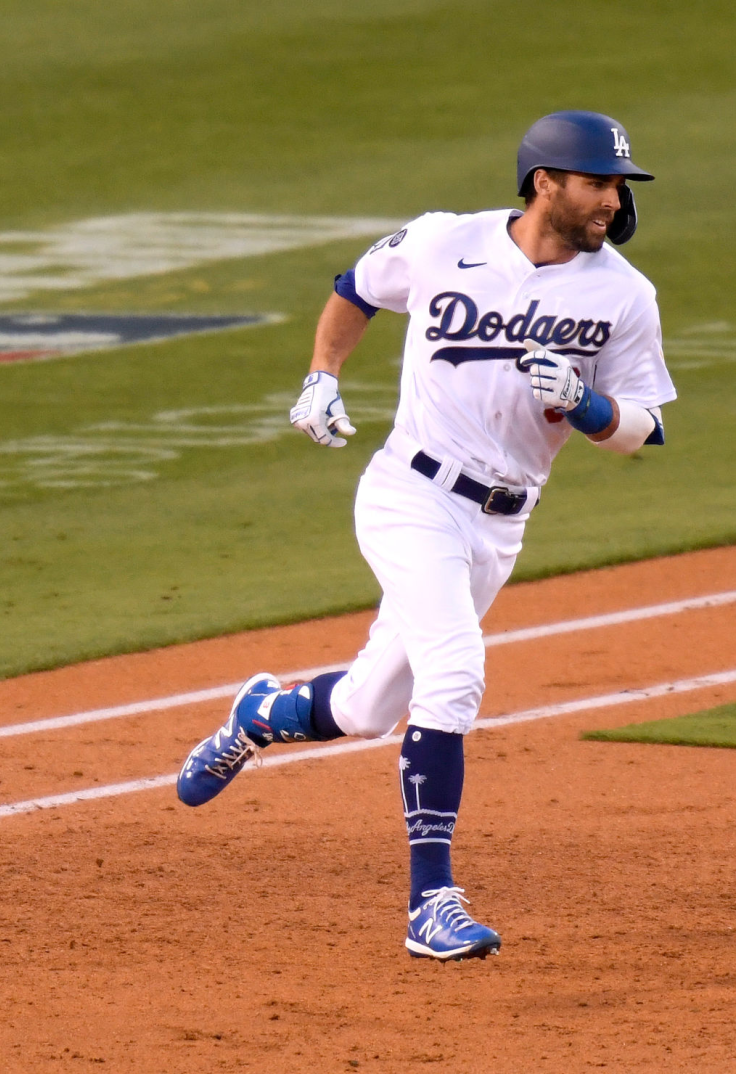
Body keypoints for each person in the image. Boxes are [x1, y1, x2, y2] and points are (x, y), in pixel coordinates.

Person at [175, 111, 676, 961]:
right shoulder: (448, 242)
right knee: (454, 675)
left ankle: (260, 714)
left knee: (368, 707)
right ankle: (430, 904)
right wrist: (322, 377)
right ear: (543, 182)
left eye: (620, 184)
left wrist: (587, 406)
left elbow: (646, 427)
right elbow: (355, 287)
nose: (612, 200)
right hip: (409, 495)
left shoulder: (624, 294)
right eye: (597, 182)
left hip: (500, 526)